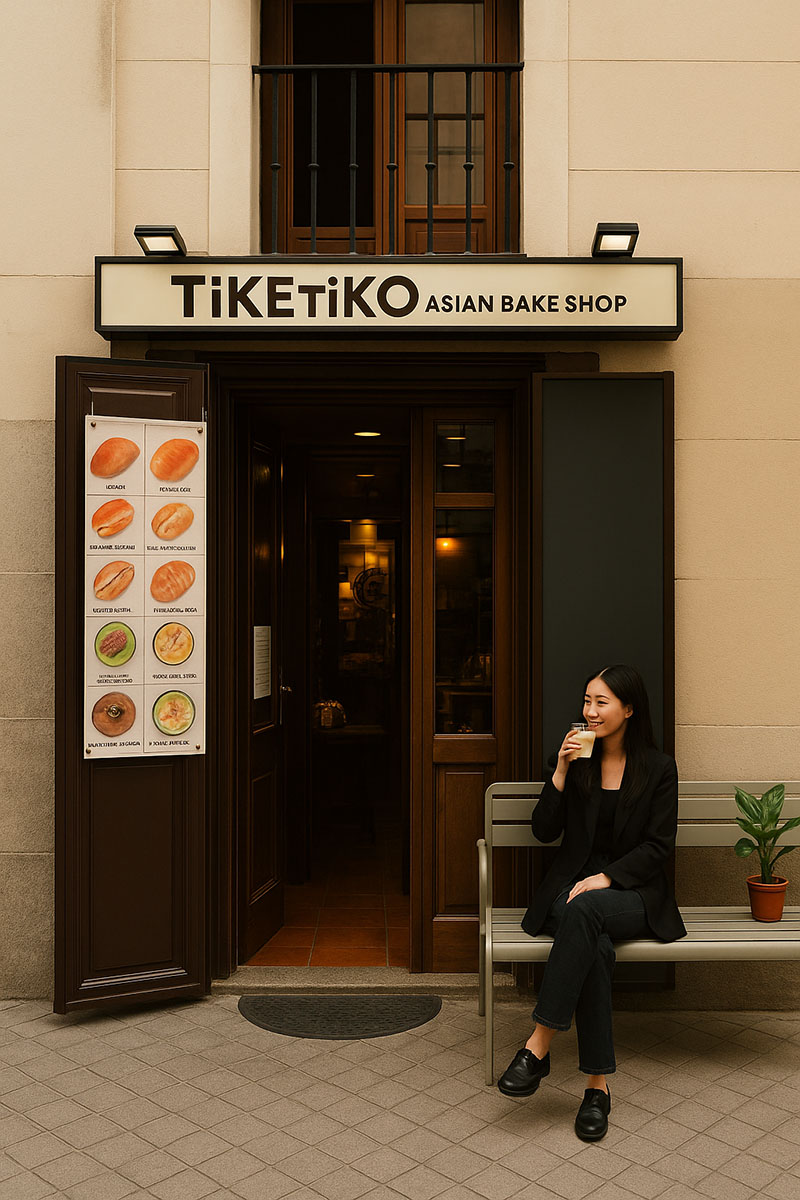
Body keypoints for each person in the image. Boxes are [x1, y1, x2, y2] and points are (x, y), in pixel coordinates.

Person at [497, 664, 686, 1141]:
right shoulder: (576, 759)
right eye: (587, 700)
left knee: (587, 913)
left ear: (629, 709)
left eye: (602, 702)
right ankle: (597, 1089)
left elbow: (658, 847)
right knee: (594, 944)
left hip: (633, 893)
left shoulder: (659, 769)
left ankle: (538, 1046)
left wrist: (607, 877)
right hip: (572, 890)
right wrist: (560, 771)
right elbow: (544, 830)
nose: (590, 711)